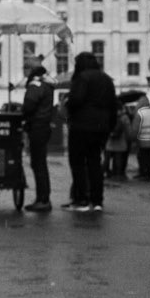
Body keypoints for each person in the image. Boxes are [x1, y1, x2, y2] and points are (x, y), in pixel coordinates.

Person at [64, 51, 117, 214]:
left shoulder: (82, 78)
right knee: (95, 163)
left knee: (78, 163)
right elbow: (113, 105)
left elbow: (76, 100)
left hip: (82, 125)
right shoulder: (107, 79)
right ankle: (97, 200)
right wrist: (110, 125)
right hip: (101, 126)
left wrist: (68, 105)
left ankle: (82, 198)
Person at [20, 59, 55, 210]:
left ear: (29, 70)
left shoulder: (35, 85)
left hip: (37, 126)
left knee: (38, 163)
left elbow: (29, 105)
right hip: (44, 125)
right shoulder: (47, 84)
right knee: (41, 163)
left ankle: (43, 199)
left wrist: (23, 115)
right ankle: (43, 197)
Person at [132, 92, 150, 182]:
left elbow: (136, 128)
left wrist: (134, 139)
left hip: (142, 140)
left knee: (142, 157)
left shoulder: (140, 113)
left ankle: (143, 173)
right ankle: (149, 173)